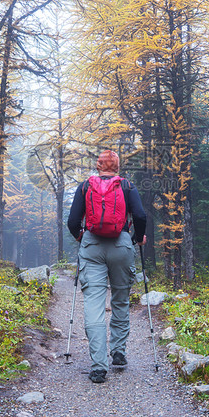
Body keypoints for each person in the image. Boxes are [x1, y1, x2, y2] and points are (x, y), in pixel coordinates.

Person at [67, 149, 147, 383]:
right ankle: (119, 352)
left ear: (98, 166)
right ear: (117, 166)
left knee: (94, 305)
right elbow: (140, 216)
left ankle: (98, 366)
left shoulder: (85, 187)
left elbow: (72, 221)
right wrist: (136, 238)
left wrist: (81, 237)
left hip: (92, 245)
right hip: (121, 245)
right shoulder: (127, 186)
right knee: (120, 300)